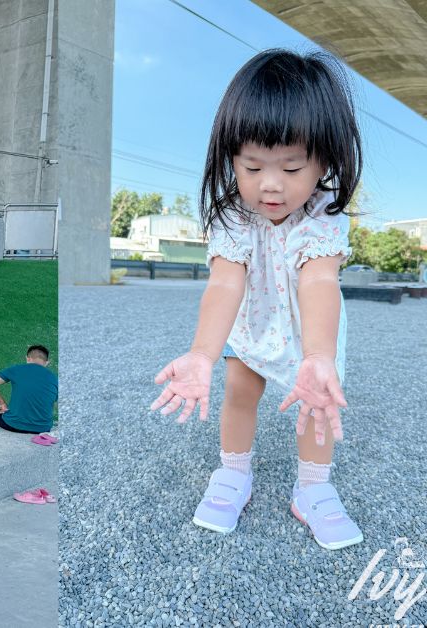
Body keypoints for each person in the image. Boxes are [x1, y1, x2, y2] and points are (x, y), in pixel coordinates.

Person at [149, 49, 363, 550]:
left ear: (324, 161)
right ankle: (232, 472)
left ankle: (314, 486)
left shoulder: (323, 217)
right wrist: (202, 354)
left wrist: (318, 356)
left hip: (311, 334)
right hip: (248, 327)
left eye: (292, 167)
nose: (271, 184)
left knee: (316, 402)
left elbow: (319, 282)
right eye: (252, 166)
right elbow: (225, 283)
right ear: (231, 159)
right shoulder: (231, 218)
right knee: (239, 395)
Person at [0, 345, 58, 434]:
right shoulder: (55, 379)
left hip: (13, 425)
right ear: (47, 362)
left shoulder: (17, 369)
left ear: (27, 358)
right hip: (43, 429)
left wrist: (2, 403)